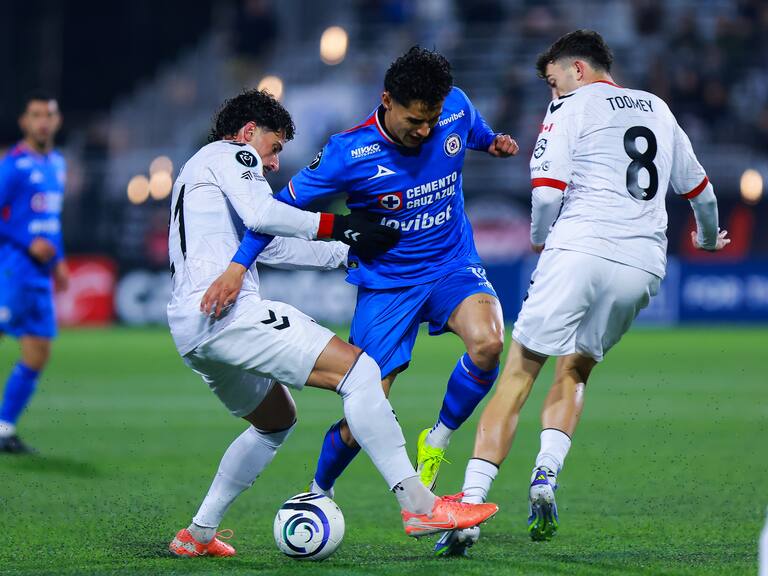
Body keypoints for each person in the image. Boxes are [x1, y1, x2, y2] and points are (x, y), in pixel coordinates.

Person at [166, 89, 498, 558]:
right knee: (361, 372)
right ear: (247, 133)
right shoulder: (231, 154)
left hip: (192, 326)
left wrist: (349, 251)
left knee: (275, 422)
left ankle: (197, 535)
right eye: (274, 146)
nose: (274, 162)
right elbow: (268, 215)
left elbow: (275, 244)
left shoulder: (197, 172)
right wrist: (339, 225)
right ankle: (419, 505)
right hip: (228, 314)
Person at [438, 29, 730, 555]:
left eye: (554, 82)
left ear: (576, 70)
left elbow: (547, 193)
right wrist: (709, 241)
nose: (553, 93)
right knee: (575, 367)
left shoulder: (570, 107)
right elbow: (701, 193)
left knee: (520, 372)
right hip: (643, 265)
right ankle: (545, 473)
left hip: (580, 249)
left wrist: (538, 241)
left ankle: (469, 511)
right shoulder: (658, 108)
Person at [203, 47, 519, 503]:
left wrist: (491, 142)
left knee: (489, 343)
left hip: (452, 263)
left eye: (432, 119)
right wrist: (237, 268)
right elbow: (274, 212)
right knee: (363, 413)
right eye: (415, 121)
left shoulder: (455, 105)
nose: (426, 130)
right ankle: (318, 492)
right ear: (387, 100)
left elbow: (473, 129)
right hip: (387, 283)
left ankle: (438, 439)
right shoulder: (348, 153)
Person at [0, 93, 69, 454]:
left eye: (49, 115)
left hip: (40, 275)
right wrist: (28, 242)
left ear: (57, 122)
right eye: (36, 115)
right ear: (24, 122)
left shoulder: (57, 163)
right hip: (12, 270)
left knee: (38, 351)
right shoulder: (13, 165)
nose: (43, 121)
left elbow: (51, 222)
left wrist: (58, 260)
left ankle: (3, 427)